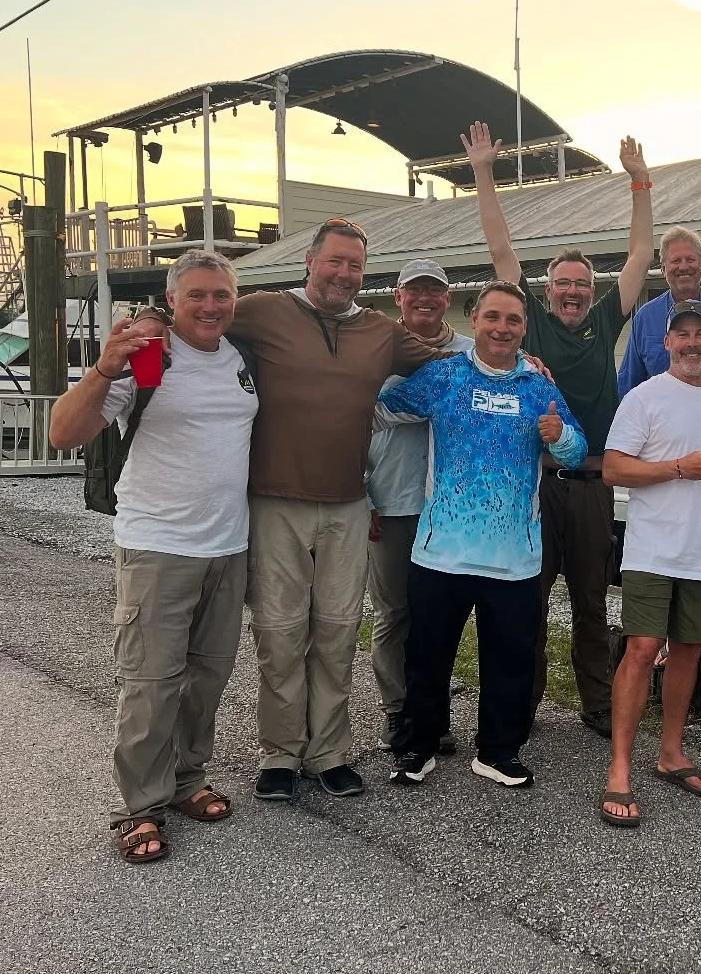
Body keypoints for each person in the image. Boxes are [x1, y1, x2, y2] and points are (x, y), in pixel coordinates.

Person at [227, 218, 448, 802]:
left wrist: (524, 370)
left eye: (355, 265)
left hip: (350, 504)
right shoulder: (264, 311)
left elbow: (448, 365)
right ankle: (279, 751)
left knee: (336, 632)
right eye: (336, 262)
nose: (346, 274)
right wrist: (147, 322)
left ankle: (328, 751)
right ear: (310, 261)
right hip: (275, 502)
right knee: (278, 632)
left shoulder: (379, 331)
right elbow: (199, 313)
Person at [49, 250, 258, 864]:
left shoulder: (239, 359)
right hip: (158, 545)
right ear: (172, 299)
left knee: (208, 675)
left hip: (229, 543)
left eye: (221, 295)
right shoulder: (145, 355)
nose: (211, 306)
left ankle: (187, 780)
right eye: (197, 295)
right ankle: (138, 805)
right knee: (151, 681)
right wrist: (100, 371)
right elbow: (63, 433)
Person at [461, 120, 654, 739]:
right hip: (536, 487)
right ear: (547, 291)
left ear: (591, 291)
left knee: (596, 604)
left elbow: (641, 257)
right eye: (562, 284)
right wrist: (485, 173)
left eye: (581, 284)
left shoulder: (605, 318)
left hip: (594, 485)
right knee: (530, 601)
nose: (572, 292)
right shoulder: (533, 325)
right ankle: (528, 701)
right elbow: (499, 252)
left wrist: (640, 184)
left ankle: (598, 704)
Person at [379, 280, 588, 788]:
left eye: (513, 320)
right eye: (493, 317)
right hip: (441, 552)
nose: (502, 328)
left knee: (511, 660)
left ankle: (498, 750)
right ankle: (419, 746)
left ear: (524, 328)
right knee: (427, 657)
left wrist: (559, 439)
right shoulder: (444, 375)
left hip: (515, 555)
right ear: (474, 321)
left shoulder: (539, 386)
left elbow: (577, 450)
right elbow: (383, 406)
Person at [600, 300, 701, 827]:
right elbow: (613, 469)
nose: (692, 343)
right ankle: (619, 768)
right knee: (641, 650)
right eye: (682, 334)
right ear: (667, 343)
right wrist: (678, 467)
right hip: (652, 550)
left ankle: (672, 753)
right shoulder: (643, 398)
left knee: (687, 651)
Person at [365, 258, 475, 755]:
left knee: (438, 616)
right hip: (391, 501)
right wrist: (360, 493)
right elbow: (353, 422)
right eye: (415, 291)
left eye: (434, 290)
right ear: (398, 297)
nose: (425, 299)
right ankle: (397, 710)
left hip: (451, 508)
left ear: (446, 298)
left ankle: (430, 711)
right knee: (393, 612)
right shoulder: (375, 349)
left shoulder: (469, 355)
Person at [617, 225, 701, 395]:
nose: (683, 267)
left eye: (690, 259)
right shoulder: (645, 318)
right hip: (661, 419)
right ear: (663, 268)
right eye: (676, 261)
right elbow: (629, 384)